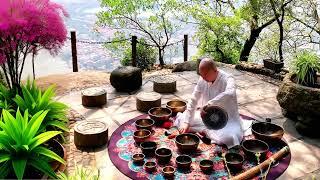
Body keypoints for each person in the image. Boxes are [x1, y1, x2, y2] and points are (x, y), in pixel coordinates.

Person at [173, 58, 243, 148]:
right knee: (182, 119)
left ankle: (205, 131)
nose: (203, 77)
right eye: (201, 75)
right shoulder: (202, 79)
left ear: (215, 70)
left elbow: (230, 93)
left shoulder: (228, 78)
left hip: (226, 120)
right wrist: (187, 122)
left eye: (205, 74)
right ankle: (206, 131)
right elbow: (194, 99)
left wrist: (209, 104)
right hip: (206, 117)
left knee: (230, 138)